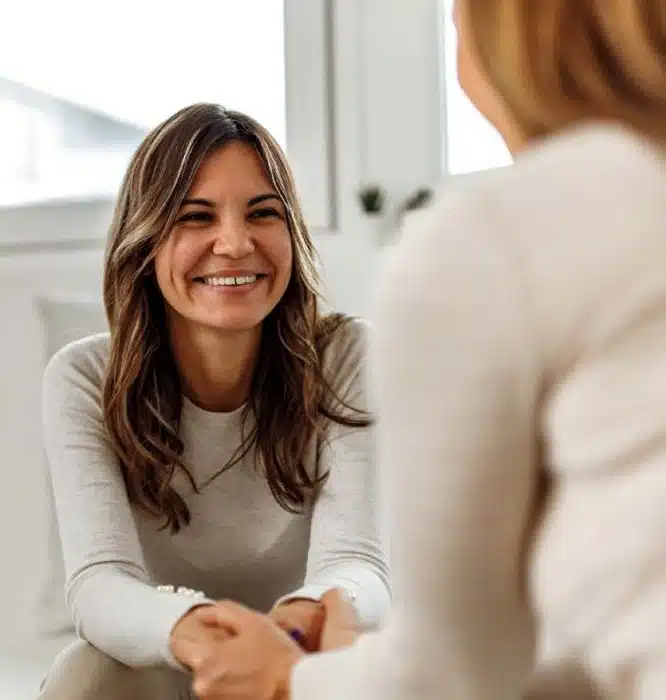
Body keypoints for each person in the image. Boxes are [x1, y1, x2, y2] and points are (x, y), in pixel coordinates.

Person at [180, 1, 666, 698]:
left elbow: (454, 675)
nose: (233, 242)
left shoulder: (493, 242)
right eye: (196, 215)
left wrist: (294, 678)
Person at [37, 103, 391, 700]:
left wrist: (296, 626)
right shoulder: (83, 378)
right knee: (84, 673)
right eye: (196, 217)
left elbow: (358, 563)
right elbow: (100, 584)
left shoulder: (347, 357)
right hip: (174, 658)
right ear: (145, 242)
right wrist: (200, 634)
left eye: (262, 213)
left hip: (303, 660)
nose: (234, 243)